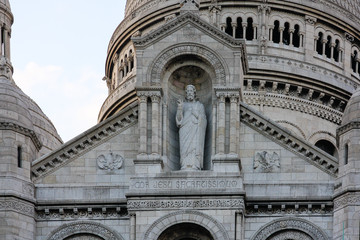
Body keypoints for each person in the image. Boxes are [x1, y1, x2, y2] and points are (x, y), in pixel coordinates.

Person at [176, 85, 207, 170]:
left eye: (191, 91)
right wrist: (179, 108)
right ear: (186, 94)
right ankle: (184, 165)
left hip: (195, 130)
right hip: (184, 129)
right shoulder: (183, 105)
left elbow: (203, 120)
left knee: (194, 147)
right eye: (188, 91)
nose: (189, 93)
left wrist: (196, 114)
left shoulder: (199, 105)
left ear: (194, 93)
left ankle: (195, 164)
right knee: (184, 149)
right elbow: (179, 120)